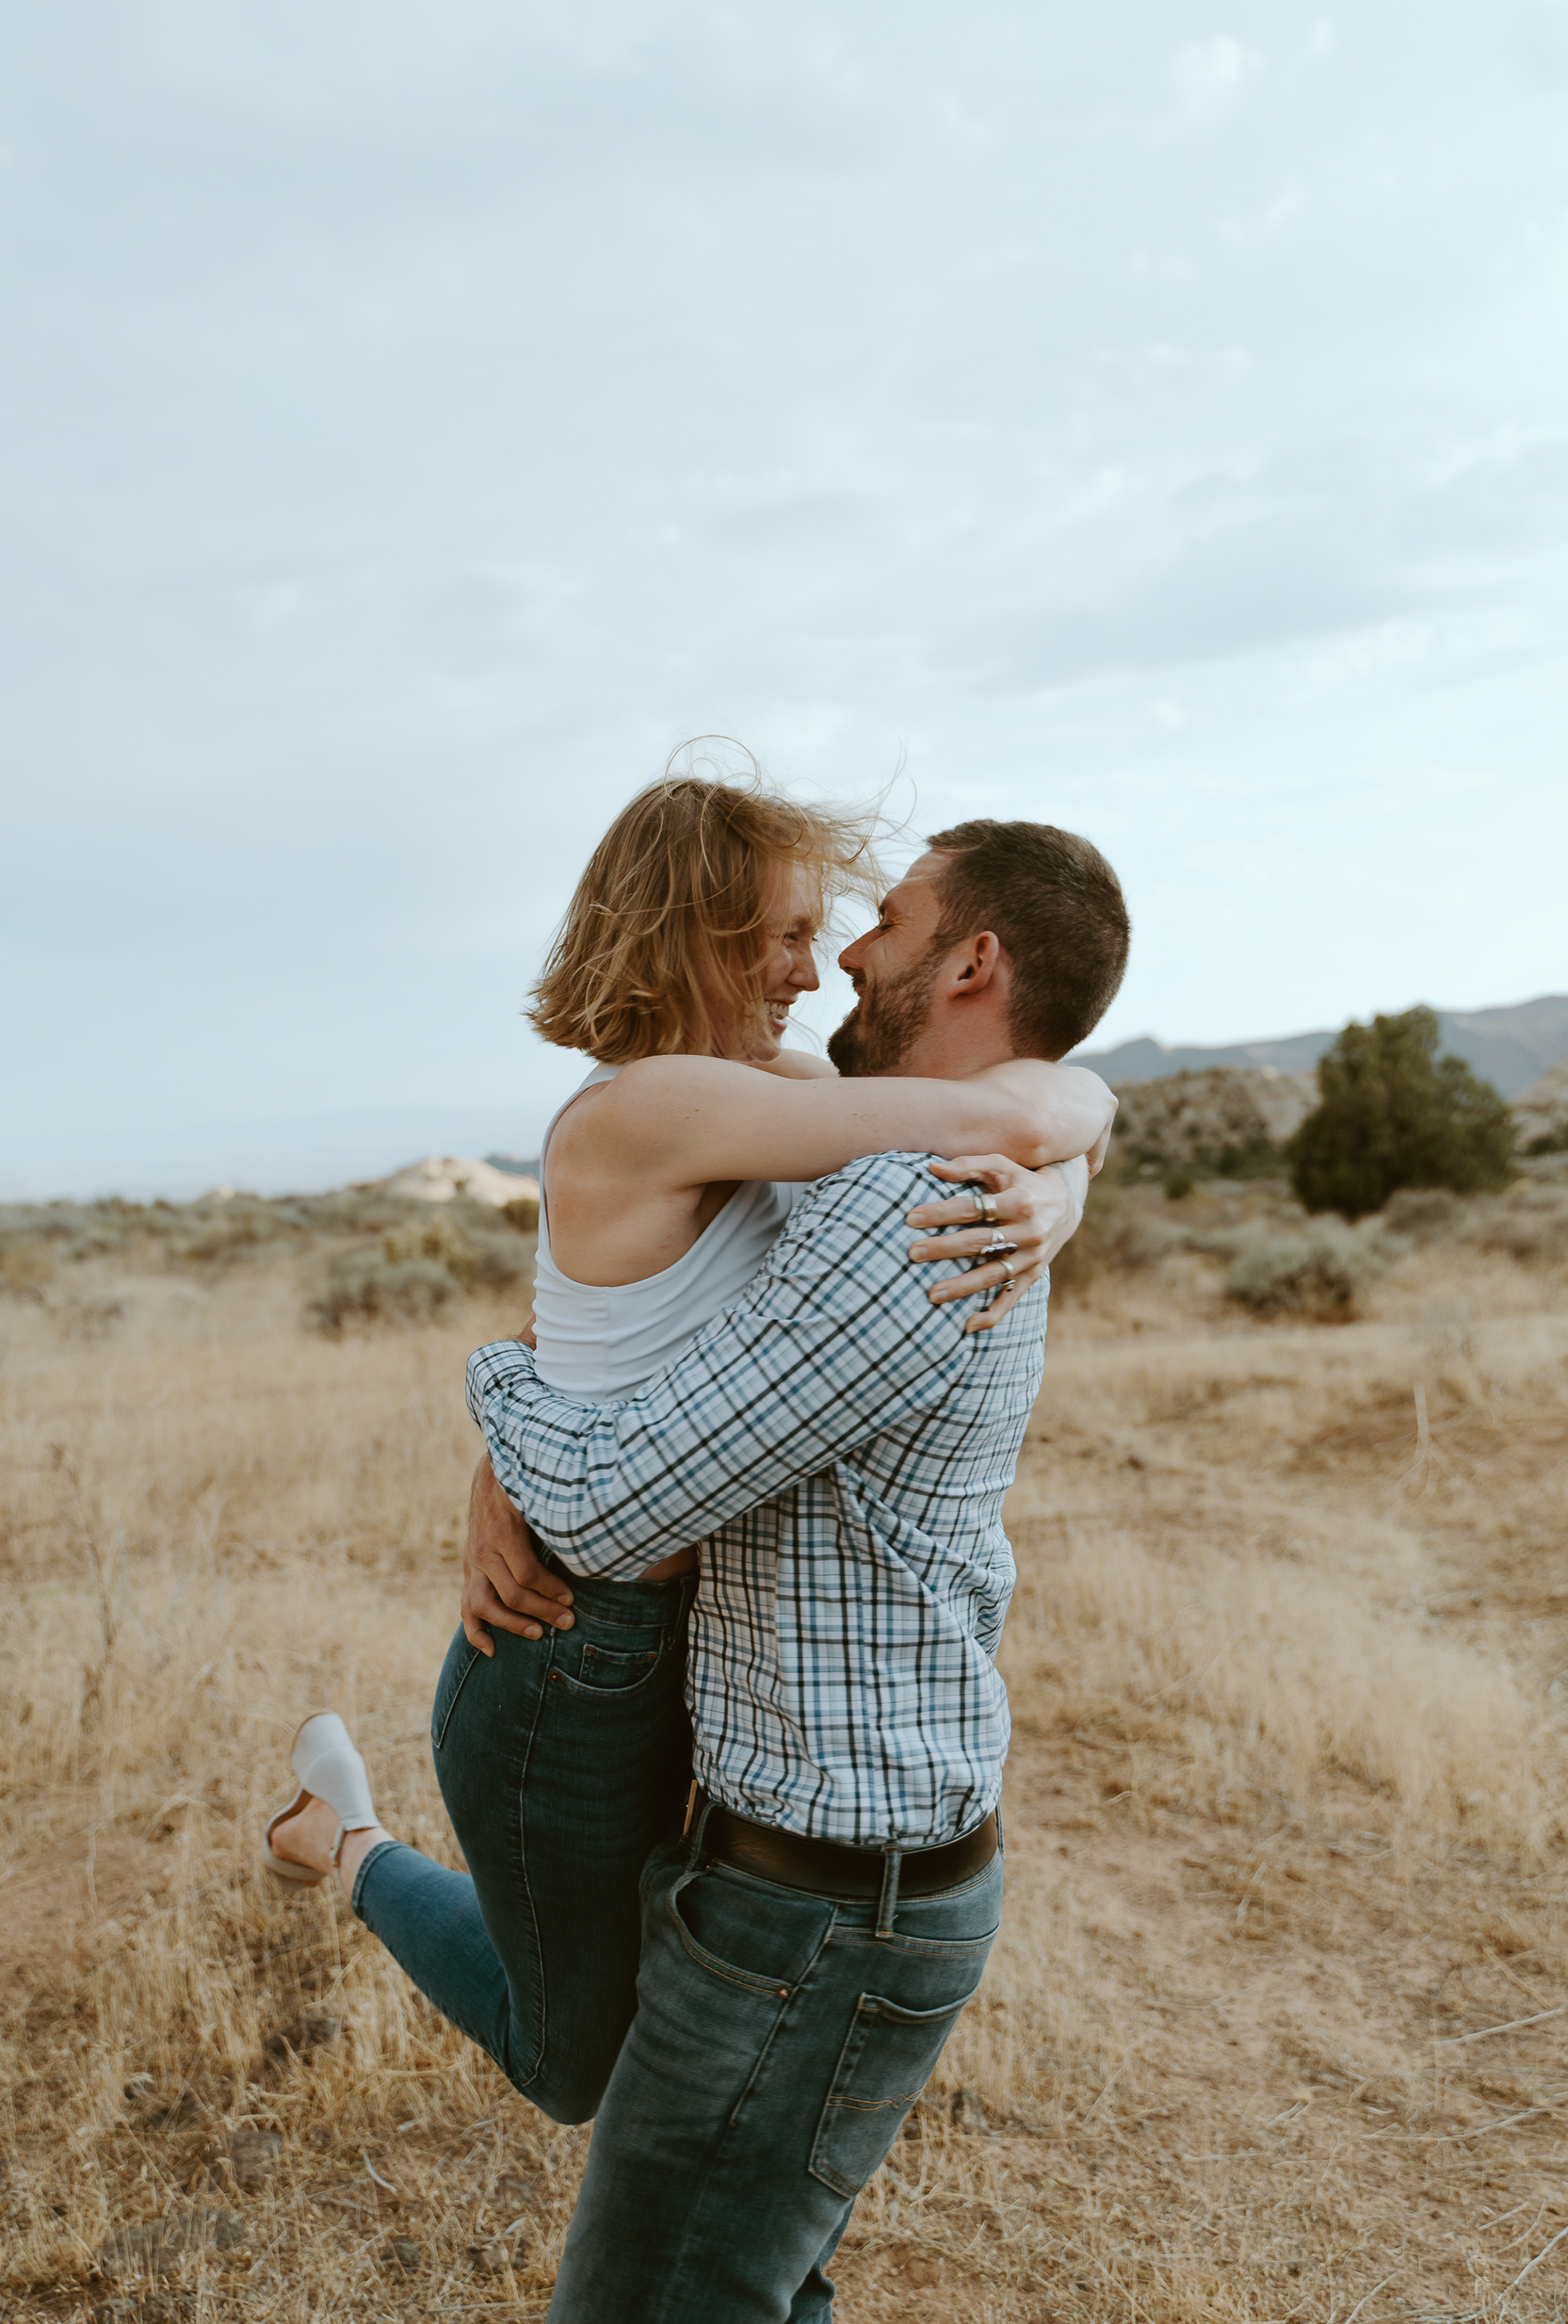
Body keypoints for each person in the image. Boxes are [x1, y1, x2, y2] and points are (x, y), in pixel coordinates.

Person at [262, 771, 1113, 2136]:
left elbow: (1046, 1094)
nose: (810, 967)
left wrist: (1062, 1178)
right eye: (781, 934)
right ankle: (344, 1842)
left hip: (676, 1647)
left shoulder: (757, 1089)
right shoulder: (654, 1106)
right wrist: (1059, 1170)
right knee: (573, 2062)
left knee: (645, 2027)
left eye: (824, 928)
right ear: (691, 934)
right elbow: (995, 1117)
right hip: (565, 1649)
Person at [465, 815, 1130, 2320]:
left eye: (875, 920)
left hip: (820, 1906)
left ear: (972, 961)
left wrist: (492, 1405)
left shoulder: (924, 1207)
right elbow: (620, 1327)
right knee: (745, 2274)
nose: (835, 953)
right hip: (810, 1858)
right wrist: (1068, 1147)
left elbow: (623, 1513)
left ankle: (349, 1852)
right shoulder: (900, 1149)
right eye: (785, 929)